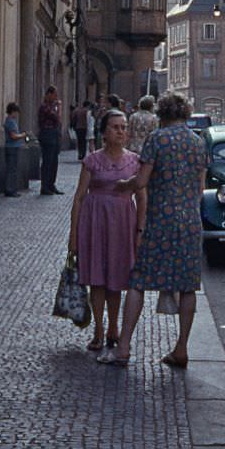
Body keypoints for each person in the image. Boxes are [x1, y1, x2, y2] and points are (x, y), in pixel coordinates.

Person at [101, 92, 207, 367]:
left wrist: (126, 184)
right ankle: (181, 349)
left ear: (162, 114)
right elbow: (200, 187)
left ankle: (123, 348)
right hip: (190, 222)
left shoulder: (157, 139)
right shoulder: (198, 142)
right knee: (187, 287)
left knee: (139, 281)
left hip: (160, 220)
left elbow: (142, 181)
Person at [68, 109, 146, 350]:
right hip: (95, 221)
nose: (121, 131)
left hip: (123, 222)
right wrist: (73, 234)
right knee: (97, 278)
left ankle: (114, 327)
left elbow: (142, 197)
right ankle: (99, 331)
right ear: (104, 132)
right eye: (115, 127)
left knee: (117, 276)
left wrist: (140, 231)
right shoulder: (92, 160)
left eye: (123, 127)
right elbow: (80, 197)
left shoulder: (134, 161)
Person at [38, 85, 63, 195]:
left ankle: (51, 184)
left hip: (54, 134)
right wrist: (59, 108)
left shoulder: (52, 106)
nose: (56, 97)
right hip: (47, 134)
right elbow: (56, 118)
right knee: (47, 161)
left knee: (54, 161)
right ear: (49, 94)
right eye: (54, 95)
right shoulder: (45, 107)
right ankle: (45, 186)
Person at [3, 102, 26, 197]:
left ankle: (11, 189)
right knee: (11, 170)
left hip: (13, 147)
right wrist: (22, 135)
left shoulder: (11, 121)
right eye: (16, 112)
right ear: (13, 112)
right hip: (12, 148)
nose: (17, 114)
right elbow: (13, 136)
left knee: (12, 169)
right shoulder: (10, 121)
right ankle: (10, 189)